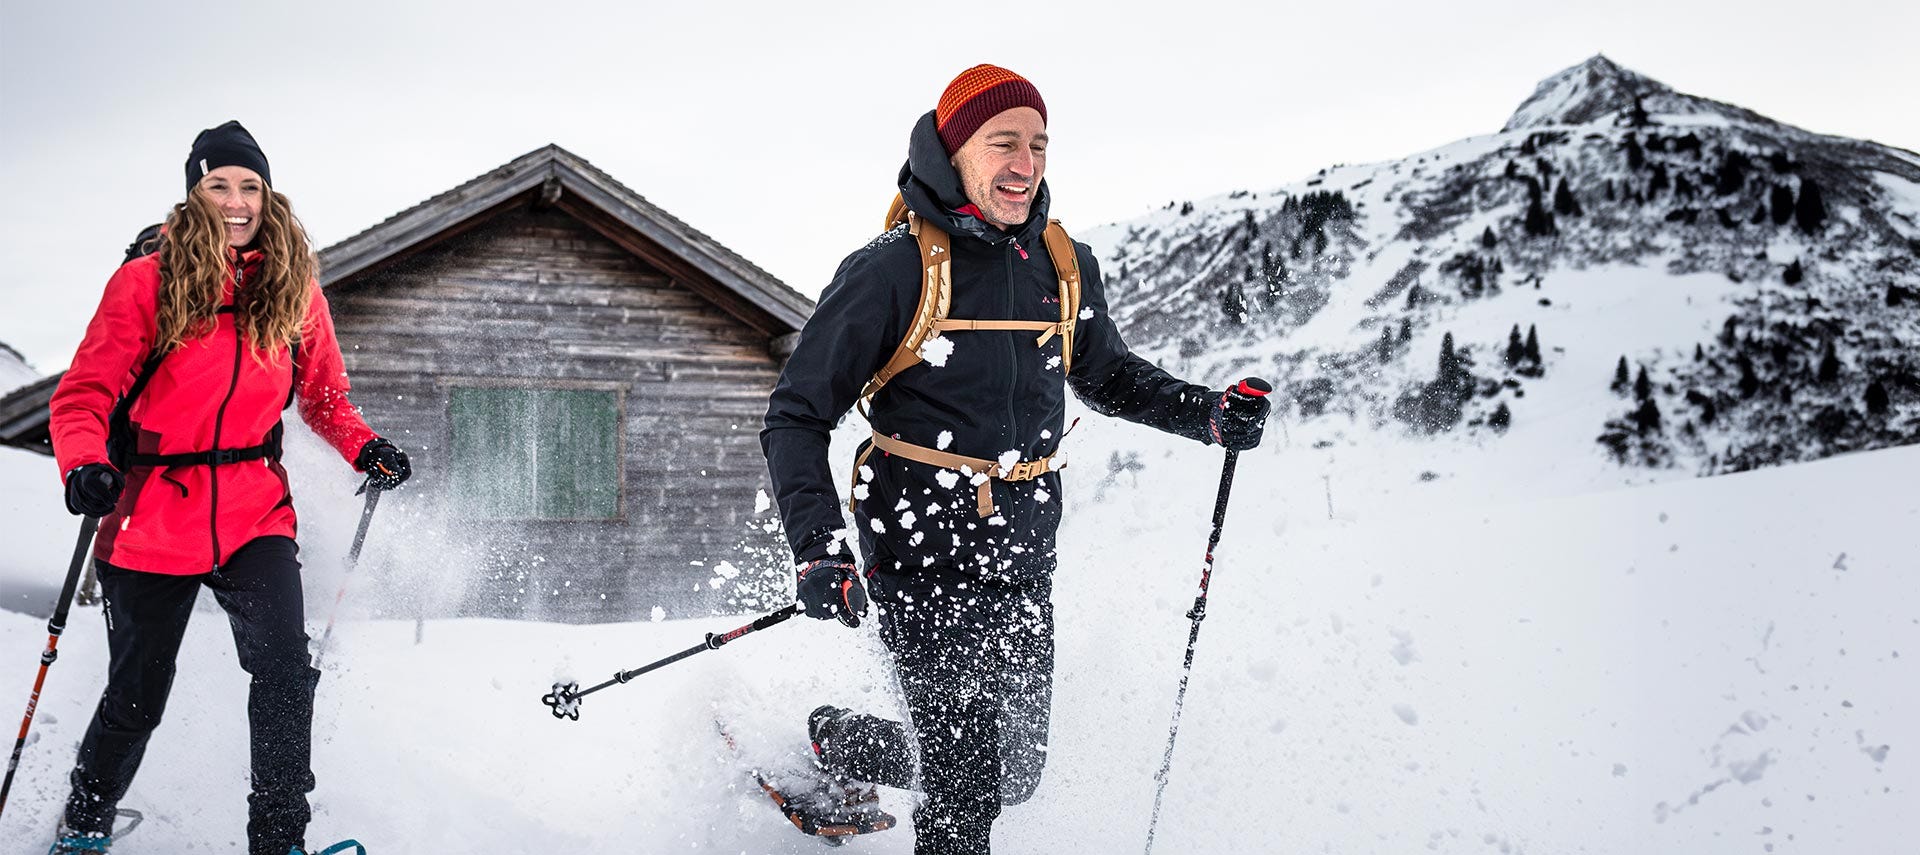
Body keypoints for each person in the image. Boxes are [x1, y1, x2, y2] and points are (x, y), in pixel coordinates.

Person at [761, 66, 1269, 854]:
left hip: (1025, 559)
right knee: (965, 786)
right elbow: (795, 414)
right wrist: (818, 548)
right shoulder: (891, 269)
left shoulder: (1062, 265)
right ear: (956, 150)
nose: (1024, 163)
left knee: (1012, 773)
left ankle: (833, 737)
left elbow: (1109, 376)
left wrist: (1206, 413)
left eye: (1037, 144)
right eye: (1003, 143)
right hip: (917, 551)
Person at [46, 121, 410, 855]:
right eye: (219, 185)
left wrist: (364, 446)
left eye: (249, 186)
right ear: (195, 193)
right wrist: (84, 461)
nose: (236, 201)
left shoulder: (293, 287)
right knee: (137, 695)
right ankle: (84, 827)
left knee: (284, 673)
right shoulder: (143, 283)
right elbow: (82, 395)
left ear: (267, 195)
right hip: (149, 512)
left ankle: (279, 842)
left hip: (252, 509)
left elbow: (325, 400)